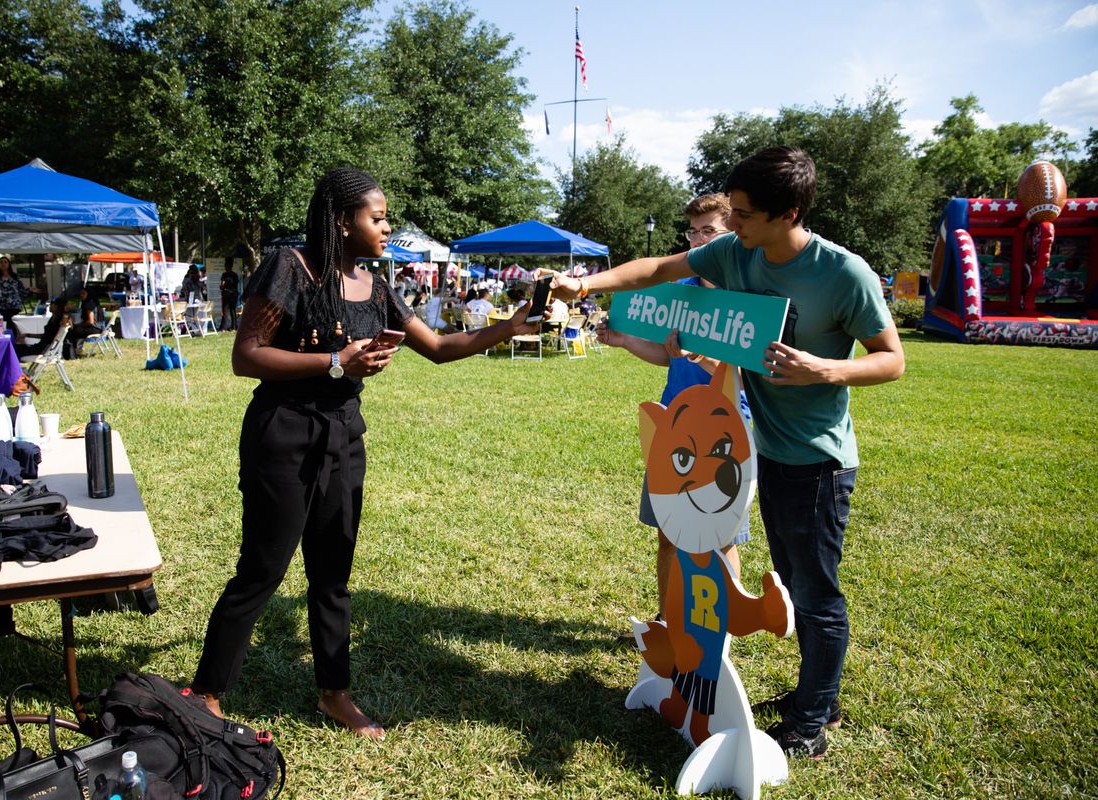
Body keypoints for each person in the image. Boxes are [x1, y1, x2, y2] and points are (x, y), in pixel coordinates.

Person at [552, 146, 904, 759]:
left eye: (743, 214)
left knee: (812, 590)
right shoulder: (738, 251)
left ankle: (814, 716)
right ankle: (809, 697)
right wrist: (585, 280)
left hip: (817, 459)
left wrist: (823, 369)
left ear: (788, 212)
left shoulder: (843, 274)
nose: (732, 225)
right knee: (793, 579)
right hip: (761, 447)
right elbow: (657, 269)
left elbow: (892, 359)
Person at [191, 168, 537, 741]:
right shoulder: (290, 268)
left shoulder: (375, 284)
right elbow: (246, 355)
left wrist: (510, 327)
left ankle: (335, 693)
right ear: (340, 221)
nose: (386, 225)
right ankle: (206, 693)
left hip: (344, 436)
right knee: (263, 570)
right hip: (284, 432)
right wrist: (336, 362)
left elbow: (441, 347)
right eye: (377, 217)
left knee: (333, 574)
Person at [597, 194, 751, 624]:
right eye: (693, 232)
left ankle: (717, 630)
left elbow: (748, 372)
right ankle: (668, 622)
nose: (699, 241)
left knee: (722, 538)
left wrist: (702, 355)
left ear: (732, 234)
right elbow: (670, 356)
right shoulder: (680, 293)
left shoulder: (746, 297)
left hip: (727, 427)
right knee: (669, 533)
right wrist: (626, 341)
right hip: (675, 421)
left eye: (709, 232)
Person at [0, 256, 37, 336]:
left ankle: (15, 341)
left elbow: (21, 290)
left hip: (14, 305)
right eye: (1, 262)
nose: (3, 264)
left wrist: (30, 290)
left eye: (5, 262)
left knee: (13, 323)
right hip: (2, 305)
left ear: (9, 264)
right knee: (4, 325)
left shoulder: (15, 276)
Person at [65, 287, 102, 358]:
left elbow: (90, 322)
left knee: (71, 331)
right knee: (75, 330)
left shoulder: (89, 305)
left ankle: (73, 352)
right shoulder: (93, 303)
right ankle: (77, 350)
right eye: (81, 293)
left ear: (89, 294)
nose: (81, 295)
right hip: (98, 328)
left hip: (94, 328)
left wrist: (79, 325)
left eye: (83, 294)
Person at [220, 259, 241, 331]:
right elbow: (236, 285)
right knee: (233, 311)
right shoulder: (235, 275)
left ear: (226, 266)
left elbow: (222, 285)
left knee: (225, 311)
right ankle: (234, 327)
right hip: (233, 294)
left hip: (226, 294)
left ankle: (223, 327)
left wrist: (223, 287)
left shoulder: (224, 275)